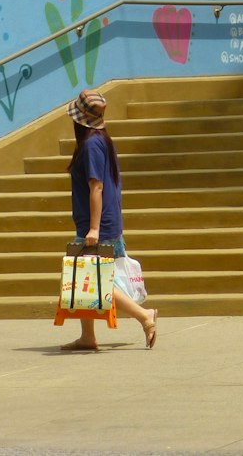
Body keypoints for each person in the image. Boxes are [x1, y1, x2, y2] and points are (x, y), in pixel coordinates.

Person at [62, 89, 157, 352]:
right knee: (88, 276)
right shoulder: (102, 140)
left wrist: (93, 227)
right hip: (107, 222)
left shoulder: (91, 144)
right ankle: (87, 336)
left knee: (91, 278)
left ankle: (143, 316)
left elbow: (97, 187)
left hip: (99, 225)